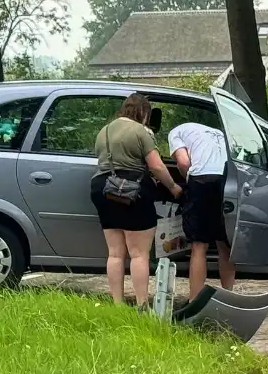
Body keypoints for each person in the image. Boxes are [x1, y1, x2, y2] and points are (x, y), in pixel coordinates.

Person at [90, 93, 182, 309]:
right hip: (133, 192)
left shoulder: (104, 131)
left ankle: (118, 305)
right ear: (143, 112)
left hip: (103, 188)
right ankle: (142, 305)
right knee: (139, 254)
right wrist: (173, 187)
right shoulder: (141, 131)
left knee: (114, 253)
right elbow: (157, 166)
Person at [168, 122, 235, 300]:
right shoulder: (221, 133)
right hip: (228, 179)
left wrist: (187, 181)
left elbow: (183, 162)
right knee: (224, 242)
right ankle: (229, 295)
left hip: (202, 181)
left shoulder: (176, 131)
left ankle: (195, 299)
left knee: (199, 245)